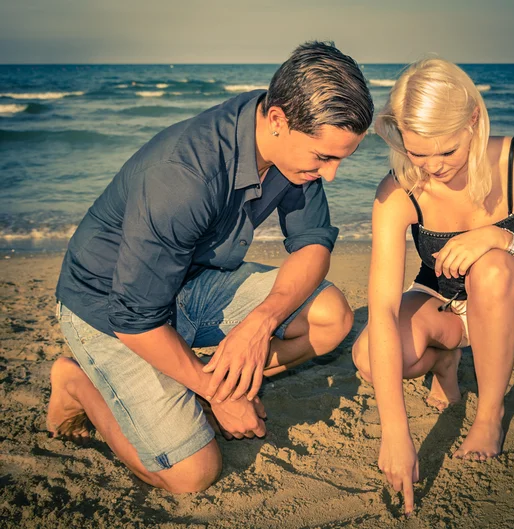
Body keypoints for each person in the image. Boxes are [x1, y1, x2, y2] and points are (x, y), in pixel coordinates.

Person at [48, 41, 374, 493]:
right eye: (325, 157)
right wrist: (218, 393)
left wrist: (260, 323)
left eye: (342, 158)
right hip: (109, 310)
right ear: (278, 120)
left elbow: (313, 244)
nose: (332, 174)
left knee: (331, 316)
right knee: (191, 475)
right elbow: (134, 319)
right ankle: (77, 382)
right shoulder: (185, 174)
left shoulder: (290, 153)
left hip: (190, 284)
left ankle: (193, 380)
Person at [352, 58, 514, 515]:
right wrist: (396, 432)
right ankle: (447, 362)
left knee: (489, 269)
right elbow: (384, 307)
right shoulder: (398, 192)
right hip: (444, 304)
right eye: (417, 152)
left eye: (446, 151)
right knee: (367, 353)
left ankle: (490, 412)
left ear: (473, 121)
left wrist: (498, 239)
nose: (433, 167)